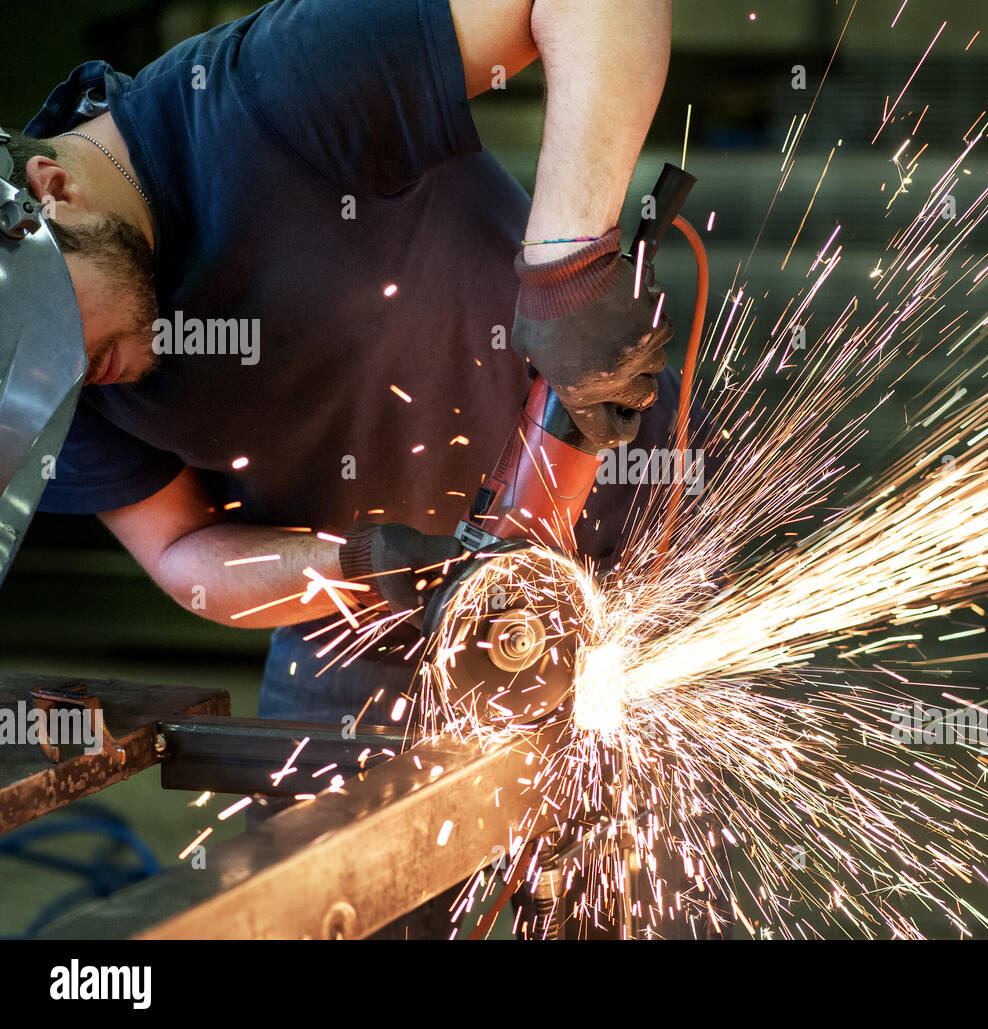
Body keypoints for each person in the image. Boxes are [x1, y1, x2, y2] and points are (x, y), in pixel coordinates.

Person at [3, 0, 689, 936]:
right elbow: (181, 551)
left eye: (64, 347)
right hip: (378, 620)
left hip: (628, 548)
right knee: (309, 894)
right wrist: (356, 568)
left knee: (636, 887)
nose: (72, 379)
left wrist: (566, 269)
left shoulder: (273, 87)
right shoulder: (47, 369)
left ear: (55, 189)